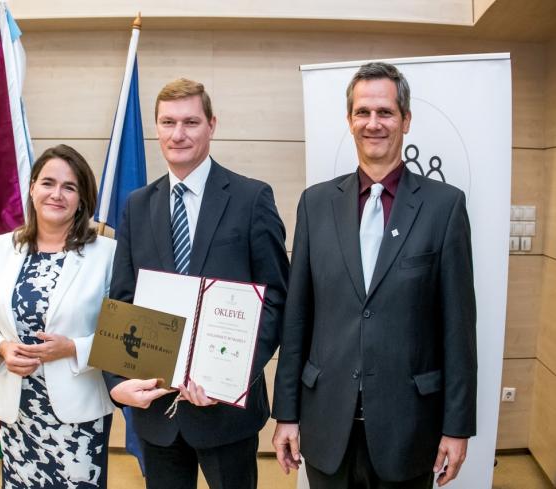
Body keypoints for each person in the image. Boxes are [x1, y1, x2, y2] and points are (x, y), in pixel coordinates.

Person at [272, 62, 477, 488]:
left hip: (409, 429)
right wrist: (286, 414)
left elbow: (458, 328)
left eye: (385, 112)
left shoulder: (444, 207)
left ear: (406, 120)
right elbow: (297, 319)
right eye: (362, 112)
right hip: (326, 423)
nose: (373, 123)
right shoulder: (315, 204)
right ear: (349, 120)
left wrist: (457, 427)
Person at [104, 78, 289, 489]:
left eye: (190, 122)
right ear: (156, 128)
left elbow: (276, 298)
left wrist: (231, 374)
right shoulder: (137, 205)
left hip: (226, 412)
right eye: (168, 122)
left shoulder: (251, 198)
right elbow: (123, 300)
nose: (178, 134)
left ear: (211, 125)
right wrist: (117, 382)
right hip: (157, 411)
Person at [0, 144, 116, 489]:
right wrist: (3, 348)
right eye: (48, 183)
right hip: (17, 411)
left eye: (69, 187)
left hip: (78, 415)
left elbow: (122, 338)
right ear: (32, 188)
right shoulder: (1, 248)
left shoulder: (107, 253)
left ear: (83, 198)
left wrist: (72, 348)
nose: (56, 194)